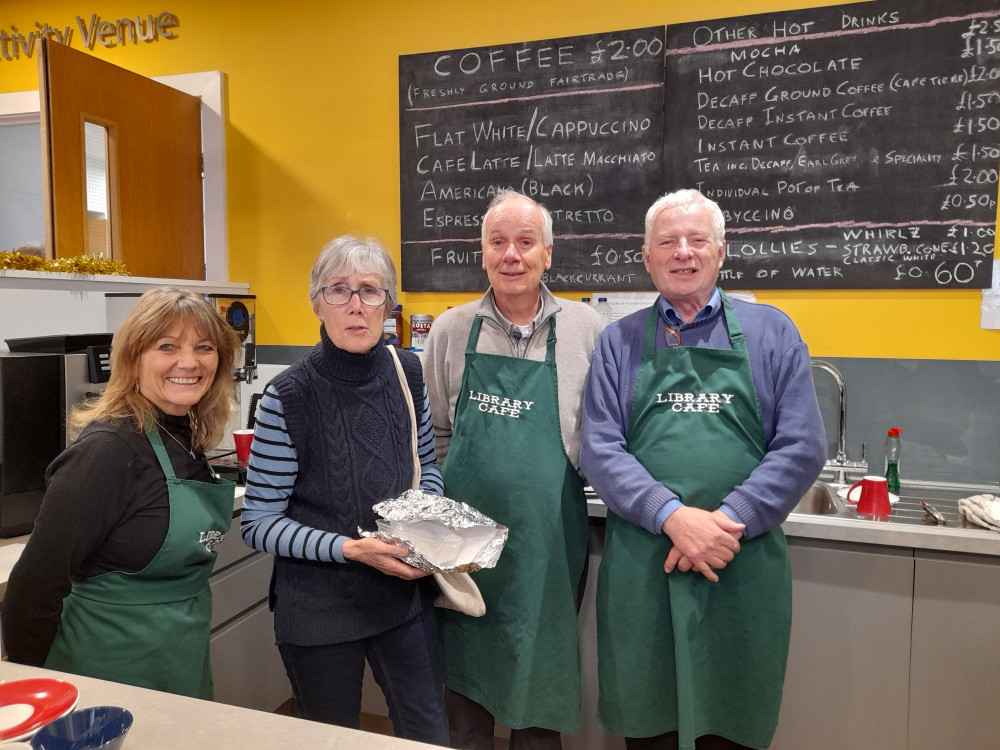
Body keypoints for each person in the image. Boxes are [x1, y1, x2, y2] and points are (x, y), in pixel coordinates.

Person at [579, 189, 827, 750]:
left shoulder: (772, 333)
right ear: (646, 257)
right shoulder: (618, 342)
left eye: (697, 241)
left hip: (739, 565)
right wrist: (671, 516)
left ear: (720, 252)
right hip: (646, 567)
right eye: (667, 241)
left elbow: (802, 445)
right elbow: (599, 446)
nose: (682, 252)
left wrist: (728, 520)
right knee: (651, 729)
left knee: (731, 724)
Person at [239, 235, 449, 745]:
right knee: (334, 740)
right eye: (338, 290)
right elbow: (258, 523)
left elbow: (428, 471)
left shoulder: (409, 372)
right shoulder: (286, 397)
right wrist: (351, 549)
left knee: (428, 734)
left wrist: (428, 530)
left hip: (403, 597)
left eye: (370, 291)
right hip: (318, 611)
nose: (356, 305)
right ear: (317, 303)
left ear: (389, 305)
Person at [423, 189, 605, 749]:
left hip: (547, 543)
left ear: (547, 254)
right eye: (498, 242)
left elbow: (602, 434)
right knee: (465, 692)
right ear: (482, 253)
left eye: (526, 243)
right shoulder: (452, 330)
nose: (511, 255)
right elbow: (436, 434)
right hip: (463, 546)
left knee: (537, 684)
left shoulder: (586, 330)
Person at [2, 287, 241, 699]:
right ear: (133, 358)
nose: (189, 361)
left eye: (204, 347)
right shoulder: (107, 452)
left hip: (180, 666)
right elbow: (30, 591)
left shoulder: (184, 437)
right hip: (103, 678)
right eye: (167, 346)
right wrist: (46, 695)